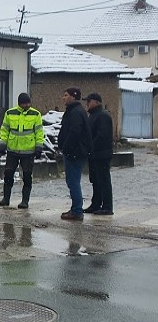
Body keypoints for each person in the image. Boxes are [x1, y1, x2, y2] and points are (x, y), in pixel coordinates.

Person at [0, 92, 44, 209]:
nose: (27, 105)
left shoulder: (35, 114)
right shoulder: (10, 113)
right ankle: (6, 199)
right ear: (20, 103)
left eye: (29, 103)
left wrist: (39, 147)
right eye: (25, 103)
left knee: (27, 176)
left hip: (28, 152)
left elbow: (39, 132)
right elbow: (4, 130)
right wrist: (3, 144)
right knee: (8, 174)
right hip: (12, 150)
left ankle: (25, 201)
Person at [58, 87, 93, 221]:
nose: (63, 97)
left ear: (73, 97)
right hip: (75, 151)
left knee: (73, 181)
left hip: (75, 152)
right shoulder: (75, 111)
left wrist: (66, 147)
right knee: (72, 181)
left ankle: (77, 210)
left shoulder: (76, 112)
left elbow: (74, 132)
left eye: (66, 95)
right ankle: (75, 208)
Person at [84, 92, 114, 215]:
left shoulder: (103, 116)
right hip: (94, 154)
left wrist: (90, 146)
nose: (87, 104)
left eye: (89, 101)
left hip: (102, 154)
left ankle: (107, 206)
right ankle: (96, 204)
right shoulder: (93, 116)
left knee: (103, 180)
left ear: (96, 102)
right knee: (95, 180)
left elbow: (102, 136)